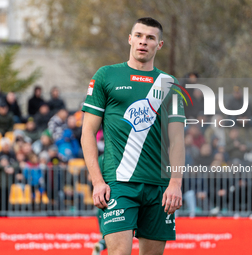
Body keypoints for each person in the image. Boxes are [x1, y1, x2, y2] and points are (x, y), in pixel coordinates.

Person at [81, 17, 185, 255]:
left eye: (150, 38)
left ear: (159, 45)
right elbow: (87, 132)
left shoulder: (170, 85)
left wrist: (176, 183)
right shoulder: (106, 76)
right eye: (138, 36)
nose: (143, 42)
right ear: (130, 39)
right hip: (118, 185)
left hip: (160, 187)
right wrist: (97, 182)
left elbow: (178, 140)